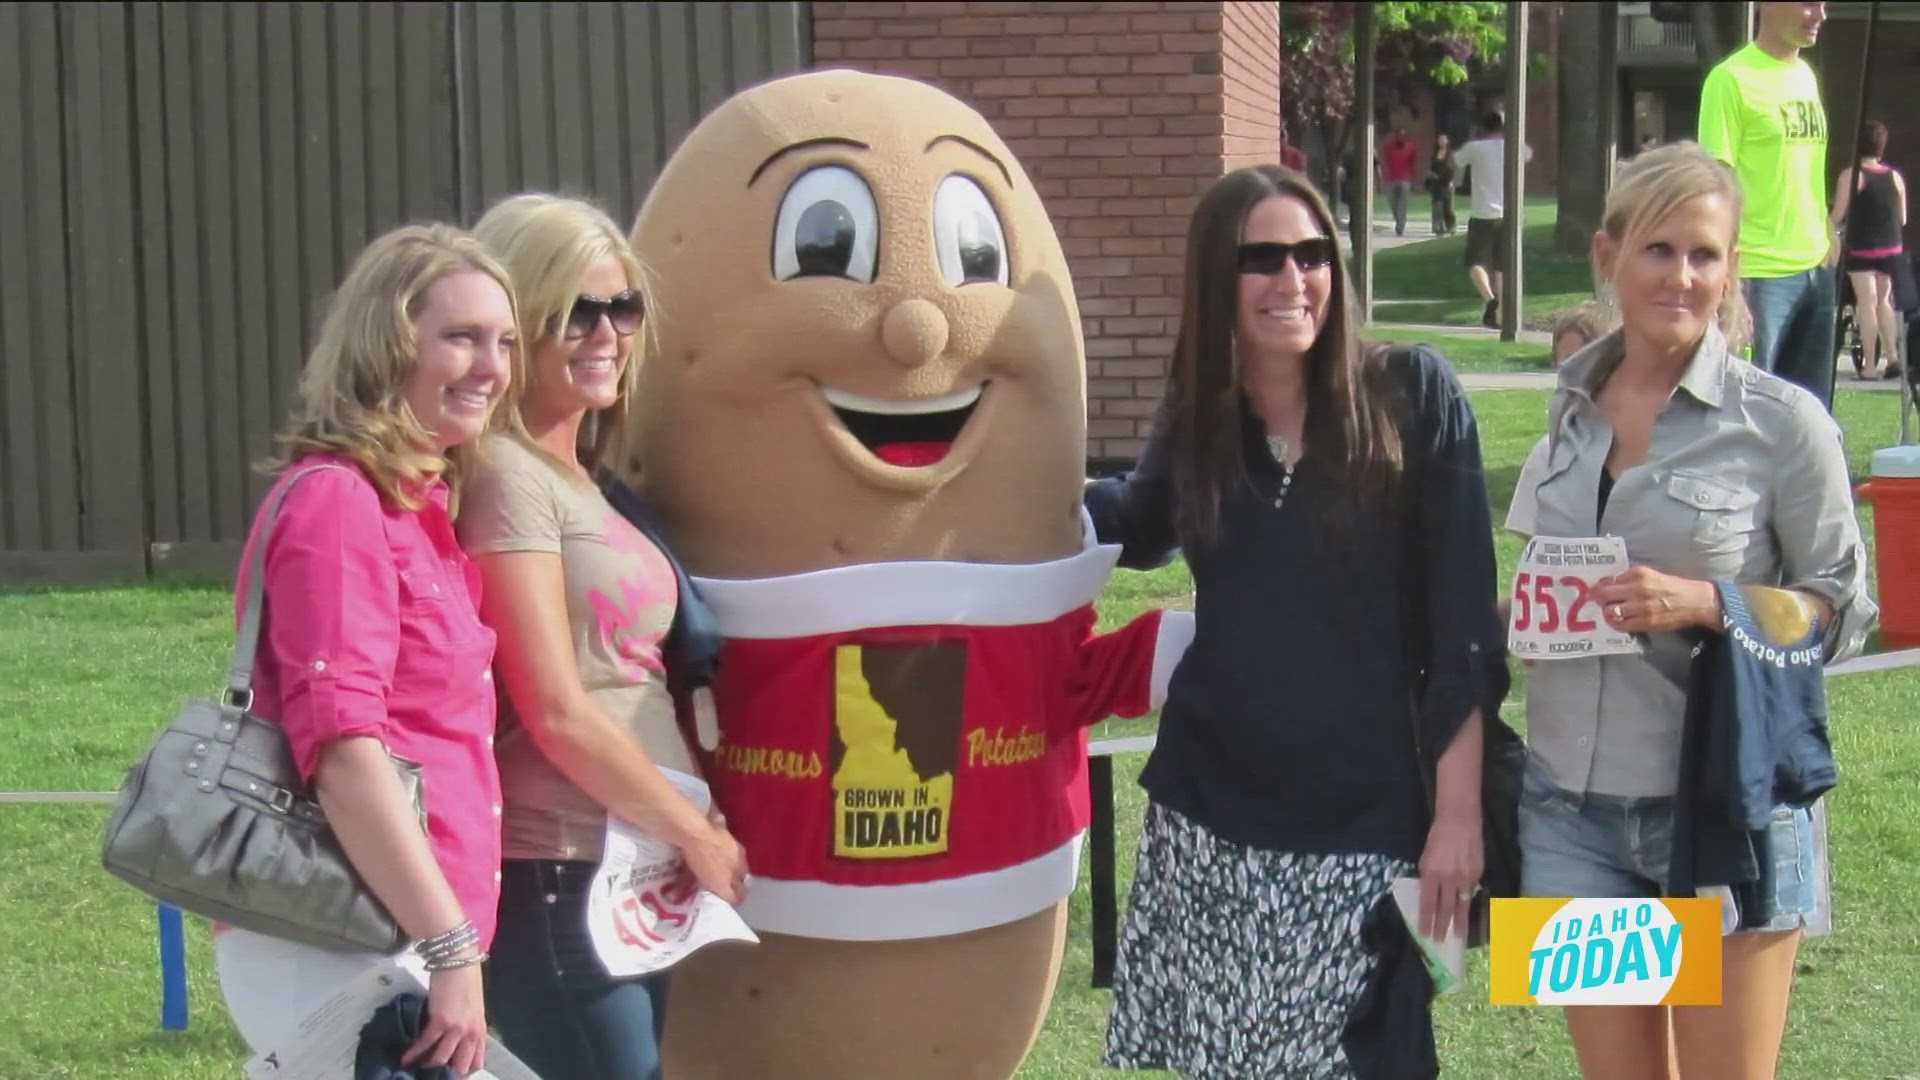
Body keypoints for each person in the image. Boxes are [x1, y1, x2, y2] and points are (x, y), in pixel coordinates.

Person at [1090, 164, 1508, 1077]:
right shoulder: (1200, 421)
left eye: (1313, 254)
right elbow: (1136, 520)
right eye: (1264, 259)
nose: (1295, 279)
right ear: (1216, 280)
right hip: (1210, 827)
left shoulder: (1412, 399)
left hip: (1364, 826)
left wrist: (1458, 816)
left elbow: (1464, 627)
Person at [1510, 142, 1875, 1079]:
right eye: (1659, 249)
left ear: (1732, 271)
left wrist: (1712, 603)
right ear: (1609, 255)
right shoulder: (1565, 414)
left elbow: (1843, 611)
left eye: (1705, 254)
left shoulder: (1783, 423)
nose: (1682, 275)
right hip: (1569, 816)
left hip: (1723, 810)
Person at [213, 223, 520, 1077]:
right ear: (386, 346)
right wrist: (451, 946)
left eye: (503, 341)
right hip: (340, 928)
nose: (491, 366)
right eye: (460, 337)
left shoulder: (420, 512)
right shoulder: (339, 505)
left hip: (394, 927)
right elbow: (345, 751)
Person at [460, 193, 749, 1080]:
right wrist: (696, 834)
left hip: (621, 868)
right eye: (573, 312)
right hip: (558, 870)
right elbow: (555, 705)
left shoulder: (584, 479)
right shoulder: (509, 478)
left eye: (620, 307)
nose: (605, 332)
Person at [1698, 1, 1837, 409]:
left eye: (1824, 4)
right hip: (1757, 276)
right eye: (1809, 3)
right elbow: (1715, 186)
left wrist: (1828, 229)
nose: (1820, 15)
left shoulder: (1805, 76)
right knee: (1751, 413)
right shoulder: (1729, 80)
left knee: (1810, 417)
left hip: (1815, 270)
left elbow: (1802, 167)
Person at [1506, 301, 1619, 542]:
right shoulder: (1549, 452)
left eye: (1593, 358)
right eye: (1569, 360)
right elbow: (1532, 542)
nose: (1579, 372)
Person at [1831, 119, 1908, 380]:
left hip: (1863, 247)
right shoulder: (1895, 176)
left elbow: (1838, 214)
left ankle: (1870, 366)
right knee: (1884, 301)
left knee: (1867, 302)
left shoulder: (1852, 175)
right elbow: (1903, 217)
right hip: (1891, 246)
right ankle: (1894, 358)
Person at [1454, 110, 1533, 328]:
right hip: (1510, 213)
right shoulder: (1515, 147)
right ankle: (1502, 316)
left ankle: (1491, 300)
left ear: (1482, 127)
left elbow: (1457, 161)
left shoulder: (1475, 148)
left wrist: (1471, 137)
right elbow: (1528, 154)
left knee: (1475, 262)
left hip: (1482, 213)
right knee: (1503, 266)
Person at [1383, 125, 1420, 237]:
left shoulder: (1411, 148)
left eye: (1403, 135)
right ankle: (1398, 219)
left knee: (1402, 204)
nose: (1401, 137)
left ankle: (1400, 226)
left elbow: (1413, 164)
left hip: (1405, 179)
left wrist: (1413, 180)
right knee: (1392, 203)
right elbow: (1387, 163)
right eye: (1399, 135)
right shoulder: (1389, 148)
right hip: (1392, 179)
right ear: (1396, 136)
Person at [1426, 133, 1458, 237]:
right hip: (1436, 183)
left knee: (1448, 207)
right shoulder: (1435, 154)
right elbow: (1431, 168)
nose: (1442, 141)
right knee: (1437, 207)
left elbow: (1453, 168)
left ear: (1447, 141)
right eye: (1440, 139)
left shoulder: (1450, 154)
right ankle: (1438, 229)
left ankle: (1451, 226)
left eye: (1444, 139)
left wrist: (1451, 181)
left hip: (1447, 182)